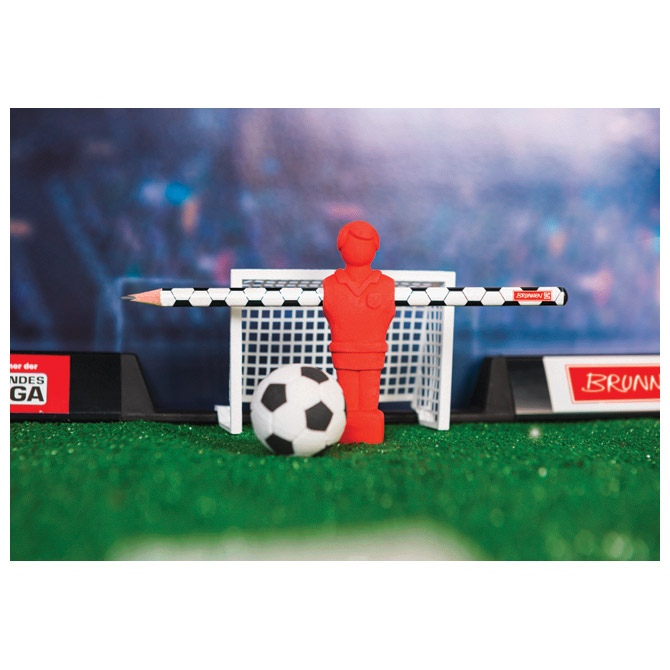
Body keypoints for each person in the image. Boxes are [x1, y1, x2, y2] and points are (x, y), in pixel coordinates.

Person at [323, 221, 395, 443]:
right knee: (350, 399)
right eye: (354, 243)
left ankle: (367, 426)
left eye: (365, 243)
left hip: (374, 353)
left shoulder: (385, 284)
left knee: (369, 399)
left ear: (375, 248)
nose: (359, 248)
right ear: (341, 247)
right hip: (343, 352)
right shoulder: (331, 283)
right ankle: (350, 425)